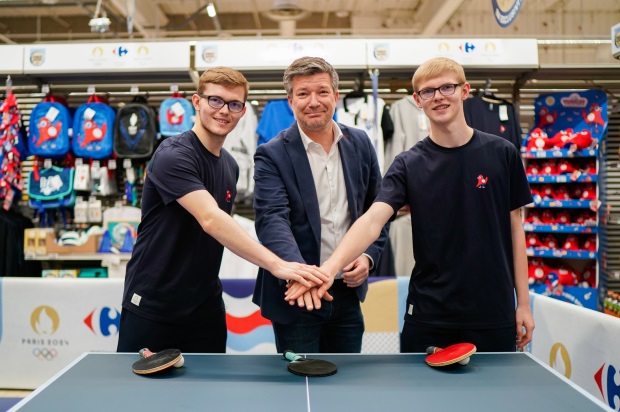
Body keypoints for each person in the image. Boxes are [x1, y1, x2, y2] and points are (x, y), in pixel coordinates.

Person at [286, 57, 535, 353]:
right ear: (417, 100)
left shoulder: (503, 154)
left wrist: (523, 303)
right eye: (428, 91)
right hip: (429, 315)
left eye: (447, 87)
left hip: (493, 311)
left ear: (465, 90)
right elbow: (372, 221)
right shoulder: (407, 164)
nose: (438, 97)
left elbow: (515, 229)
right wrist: (330, 269)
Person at [117, 67, 328, 354]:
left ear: (243, 112)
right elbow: (210, 219)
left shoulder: (230, 165)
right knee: (141, 384)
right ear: (197, 101)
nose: (224, 111)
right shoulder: (173, 155)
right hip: (154, 305)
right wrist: (277, 264)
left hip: (205, 308)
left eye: (234, 104)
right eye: (215, 100)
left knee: (210, 384)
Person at [252, 56, 389, 353]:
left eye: (322, 92)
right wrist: (303, 276)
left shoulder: (361, 144)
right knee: (302, 376)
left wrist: (368, 257)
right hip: (297, 294)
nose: (313, 102)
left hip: (347, 291)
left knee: (347, 377)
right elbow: (272, 220)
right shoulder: (271, 154)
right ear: (291, 101)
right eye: (303, 94)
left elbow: (378, 211)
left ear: (336, 96)